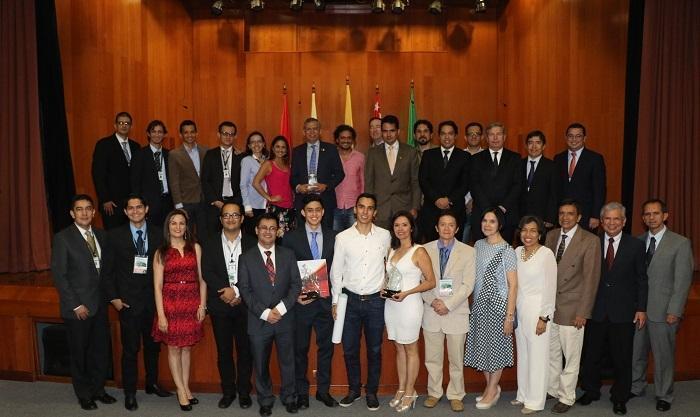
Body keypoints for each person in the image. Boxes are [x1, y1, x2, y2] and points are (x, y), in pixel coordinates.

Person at [578, 202, 648, 416]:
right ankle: (591, 391)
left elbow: (641, 280)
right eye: (607, 219)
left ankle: (620, 397)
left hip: (624, 310)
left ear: (624, 221)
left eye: (616, 219)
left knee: (622, 357)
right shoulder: (592, 243)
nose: (611, 223)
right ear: (601, 221)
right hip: (596, 308)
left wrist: (641, 308)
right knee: (592, 355)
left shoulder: (635, 245)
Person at [104, 195, 171, 411]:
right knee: (130, 350)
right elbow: (108, 271)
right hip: (128, 303)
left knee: (153, 348)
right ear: (125, 212)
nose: (135, 211)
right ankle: (130, 392)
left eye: (139, 207)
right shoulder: (114, 236)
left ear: (147, 208)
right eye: (130, 208)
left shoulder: (159, 233)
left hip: (153, 302)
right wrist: (114, 299)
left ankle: (151, 383)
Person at [51, 194, 116, 410]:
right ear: (72, 213)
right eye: (79, 209)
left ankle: (99, 389)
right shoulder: (63, 238)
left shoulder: (101, 235)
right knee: (79, 353)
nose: (85, 213)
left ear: (94, 212)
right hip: (78, 308)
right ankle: (84, 394)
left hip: (99, 304)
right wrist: (76, 305)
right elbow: (60, 276)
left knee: (100, 351)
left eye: (88, 208)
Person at [631, 199, 694, 412]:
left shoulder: (680, 243)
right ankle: (636, 386)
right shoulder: (637, 242)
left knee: (663, 356)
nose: (651, 217)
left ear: (665, 216)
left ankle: (664, 395)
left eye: (656, 213)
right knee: (636, 352)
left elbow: (682, 281)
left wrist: (675, 310)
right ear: (642, 218)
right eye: (647, 214)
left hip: (664, 311)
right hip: (639, 310)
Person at [331, 193, 391, 411]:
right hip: (351, 301)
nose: (365, 211)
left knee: (375, 349)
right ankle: (354, 390)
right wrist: (335, 302)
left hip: (376, 302)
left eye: (370, 208)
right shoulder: (343, 237)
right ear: (355, 209)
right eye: (361, 207)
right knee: (350, 349)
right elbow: (336, 272)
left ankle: (371, 392)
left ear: (375, 212)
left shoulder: (385, 236)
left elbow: (390, 265)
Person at [238, 214, 302, 417]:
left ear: (278, 231)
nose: (268, 231)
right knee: (260, 363)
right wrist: (265, 313)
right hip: (259, 321)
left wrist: (280, 309)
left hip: (285, 318)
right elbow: (245, 291)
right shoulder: (245, 258)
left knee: (288, 361)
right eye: (263, 228)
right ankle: (265, 399)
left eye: (272, 228)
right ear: (256, 230)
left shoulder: (288, 254)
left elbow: (296, 285)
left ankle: (290, 397)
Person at [281, 195, 339, 409]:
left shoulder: (335, 237)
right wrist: (294, 295)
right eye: (310, 210)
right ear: (303, 213)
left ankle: (323, 391)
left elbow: (338, 270)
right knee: (300, 350)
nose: (314, 214)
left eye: (318, 210)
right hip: (302, 303)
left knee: (326, 349)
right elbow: (285, 271)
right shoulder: (290, 238)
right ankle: (302, 393)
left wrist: (336, 299)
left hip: (325, 301)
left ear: (323, 212)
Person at [544, 199, 602, 414]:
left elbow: (591, 279)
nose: (565, 217)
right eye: (561, 213)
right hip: (551, 307)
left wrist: (583, 312)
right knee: (552, 353)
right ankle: (552, 388)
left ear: (579, 217)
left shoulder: (589, 240)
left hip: (573, 308)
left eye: (570, 214)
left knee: (572, 356)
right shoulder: (551, 236)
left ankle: (567, 396)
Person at [201, 202, 256, 410]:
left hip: (245, 305)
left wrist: (238, 292)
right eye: (226, 215)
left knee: (245, 351)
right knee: (224, 351)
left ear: (242, 218)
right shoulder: (209, 243)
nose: (231, 219)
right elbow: (207, 271)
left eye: (235, 215)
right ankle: (228, 392)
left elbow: (255, 272)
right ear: (220, 219)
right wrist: (225, 290)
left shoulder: (252, 243)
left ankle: (244, 392)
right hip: (220, 304)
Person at [151, 209, 206, 411]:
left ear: (186, 226)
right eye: (173, 223)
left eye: (181, 223)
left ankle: (186, 387)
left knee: (186, 347)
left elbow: (202, 280)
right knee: (174, 347)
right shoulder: (161, 252)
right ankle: (181, 390)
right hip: (170, 304)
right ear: (168, 226)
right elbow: (157, 286)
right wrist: (161, 315)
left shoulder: (195, 248)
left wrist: (202, 304)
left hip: (192, 302)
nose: (177, 227)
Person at [464, 207, 517, 410]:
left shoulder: (507, 250)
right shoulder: (477, 245)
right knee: (482, 348)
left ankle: (493, 389)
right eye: (484, 220)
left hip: (498, 307)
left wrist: (509, 316)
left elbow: (513, 285)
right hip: (479, 305)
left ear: (500, 224)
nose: (487, 224)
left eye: (492, 221)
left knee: (495, 350)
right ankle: (490, 388)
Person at [421, 211, 475, 412]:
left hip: (456, 312)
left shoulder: (468, 251)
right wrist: (433, 300)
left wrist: (448, 304)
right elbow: (420, 282)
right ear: (436, 227)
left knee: (456, 359)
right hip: (432, 310)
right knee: (432, 358)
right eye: (442, 224)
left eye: (451, 225)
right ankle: (434, 392)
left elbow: (468, 285)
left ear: (457, 228)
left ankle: (456, 394)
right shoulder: (424, 250)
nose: (446, 228)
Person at [384, 211, 436, 412]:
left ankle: (410, 390)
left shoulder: (419, 251)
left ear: (412, 227)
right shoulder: (391, 251)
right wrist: (384, 289)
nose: (400, 229)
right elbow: (388, 277)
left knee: (411, 349)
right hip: (392, 305)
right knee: (399, 348)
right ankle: (401, 388)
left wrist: (407, 292)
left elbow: (431, 281)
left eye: (404, 225)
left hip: (410, 304)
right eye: (397, 225)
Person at [513, 215, 557, 414]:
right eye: (524, 230)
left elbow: (550, 288)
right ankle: (523, 394)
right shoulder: (516, 252)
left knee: (538, 357)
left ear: (540, 233)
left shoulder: (546, 254)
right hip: (519, 309)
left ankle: (535, 401)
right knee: (524, 353)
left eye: (533, 230)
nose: (528, 234)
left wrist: (544, 317)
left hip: (538, 309)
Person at [364, 115, 421, 229]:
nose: (388, 135)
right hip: (380, 210)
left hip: (404, 208)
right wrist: (370, 208)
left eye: (392, 131)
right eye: (385, 131)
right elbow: (369, 183)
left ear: (398, 131)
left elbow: (415, 181)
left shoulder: (410, 152)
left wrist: (415, 207)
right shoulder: (373, 153)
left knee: (402, 244)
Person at [470, 122, 523, 242]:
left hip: (506, 214)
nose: (495, 138)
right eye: (491, 135)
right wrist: (487, 209)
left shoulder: (515, 158)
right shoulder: (476, 159)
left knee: (503, 254)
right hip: (481, 214)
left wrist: (502, 207)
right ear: (486, 138)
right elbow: (474, 185)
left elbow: (517, 185)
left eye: (498, 134)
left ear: (504, 137)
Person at [419, 120, 470, 242]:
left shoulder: (464, 156)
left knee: (455, 249)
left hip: (455, 209)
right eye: (443, 133)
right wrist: (436, 199)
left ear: (456, 136)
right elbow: (423, 180)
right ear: (438, 136)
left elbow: (466, 183)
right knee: (431, 249)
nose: (447, 137)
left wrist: (449, 199)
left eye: (450, 133)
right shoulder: (428, 155)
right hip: (431, 209)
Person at [290, 118, 345, 228]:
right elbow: (293, 177)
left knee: (326, 235)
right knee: (303, 236)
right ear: (304, 132)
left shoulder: (331, 149)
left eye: (315, 129)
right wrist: (298, 187)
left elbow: (340, 173)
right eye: (308, 129)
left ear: (320, 131)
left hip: (325, 200)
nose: (312, 132)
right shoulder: (297, 151)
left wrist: (326, 186)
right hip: (303, 201)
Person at [92, 112, 140, 229]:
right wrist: (105, 199)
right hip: (112, 203)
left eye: (127, 123)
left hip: (131, 203)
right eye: (121, 123)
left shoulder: (136, 146)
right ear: (115, 125)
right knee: (113, 238)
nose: (124, 125)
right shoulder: (104, 144)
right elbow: (98, 173)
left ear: (131, 126)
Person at [554, 123, 606, 231]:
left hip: (586, 216)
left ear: (584, 138)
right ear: (566, 138)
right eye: (570, 136)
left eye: (578, 136)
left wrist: (596, 215)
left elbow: (599, 189)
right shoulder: (558, 158)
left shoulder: (595, 159)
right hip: (563, 216)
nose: (574, 139)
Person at [202, 121, 244, 237]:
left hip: (235, 202)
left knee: (235, 235)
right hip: (216, 204)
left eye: (231, 134)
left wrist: (237, 201)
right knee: (214, 237)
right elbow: (205, 180)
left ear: (235, 136)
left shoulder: (241, 156)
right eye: (225, 133)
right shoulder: (210, 154)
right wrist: (215, 201)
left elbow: (245, 182)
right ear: (218, 135)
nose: (228, 137)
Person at [168, 120, 208, 238]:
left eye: (192, 132)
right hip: (186, 202)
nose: (189, 135)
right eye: (186, 132)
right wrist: (179, 206)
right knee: (187, 236)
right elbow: (174, 182)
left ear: (196, 133)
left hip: (203, 200)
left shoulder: (205, 151)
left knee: (204, 235)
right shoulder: (174, 154)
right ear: (181, 135)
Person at [130, 120, 173, 229]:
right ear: (148, 134)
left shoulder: (170, 155)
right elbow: (135, 181)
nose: (157, 134)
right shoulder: (140, 154)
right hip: (149, 203)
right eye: (154, 132)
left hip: (168, 202)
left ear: (164, 134)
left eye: (160, 132)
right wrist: (140, 205)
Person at [253, 135, 295, 236]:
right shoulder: (268, 164)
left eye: (283, 147)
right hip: (276, 208)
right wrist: (269, 198)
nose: (280, 149)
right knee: (276, 240)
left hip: (289, 208)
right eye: (277, 146)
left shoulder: (288, 165)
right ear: (272, 148)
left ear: (286, 150)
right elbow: (255, 182)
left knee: (289, 240)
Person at [519, 130, 558, 230]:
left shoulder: (552, 166)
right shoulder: (518, 164)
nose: (534, 146)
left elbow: (554, 194)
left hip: (542, 219)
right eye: (530, 143)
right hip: (520, 217)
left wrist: (550, 218)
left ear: (544, 146)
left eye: (538, 143)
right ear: (526, 146)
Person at [333, 124, 365, 232]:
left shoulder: (360, 157)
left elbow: (363, 183)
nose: (346, 140)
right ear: (337, 140)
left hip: (354, 207)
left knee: (355, 240)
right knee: (336, 240)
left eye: (349, 138)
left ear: (353, 140)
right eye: (342, 138)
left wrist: (361, 205)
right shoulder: (331, 156)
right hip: (335, 206)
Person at [240, 131, 268, 236]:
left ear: (264, 144)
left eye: (259, 141)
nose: (256, 144)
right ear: (249, 146)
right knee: (253, 236)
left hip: (267, 205)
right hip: (253, 206)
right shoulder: (247, 160)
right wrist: (247, 206)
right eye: (253, 142)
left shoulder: (268, 160)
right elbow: (243, 185)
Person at [462, 122, 484, 242]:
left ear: (482, 137)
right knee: (462, 243)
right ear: (465, 137)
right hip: (461, 204)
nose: (474, 136)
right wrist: (465, 201)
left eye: (477, 134)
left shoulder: (488, 157)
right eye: (471, 134)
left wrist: (474, 200)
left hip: (481, 205)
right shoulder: (459, 155)